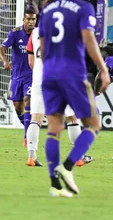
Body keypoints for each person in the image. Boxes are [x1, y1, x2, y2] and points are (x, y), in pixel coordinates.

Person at [38, 0, 110, 197]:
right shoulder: (83, 8)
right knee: (93, 124)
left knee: (53, 129)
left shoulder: (47, 10)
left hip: (49, 73)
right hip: (73, 73)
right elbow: (89, 40)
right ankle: (67, 167)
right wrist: (103, 69)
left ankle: (55, 185)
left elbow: (42, 47)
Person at [25, 24, 89, 168]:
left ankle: (31, 157)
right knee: (72, 118)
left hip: (39, 81)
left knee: (36, 119)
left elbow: (31, 61)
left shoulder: (35, 32)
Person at [0, 10, 36, 147]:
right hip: (16, 76)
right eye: (29, 19)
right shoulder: (14, 33)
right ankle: (30, 127)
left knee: (27, 101)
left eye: (34, 19)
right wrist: (5, 60)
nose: (31, 22)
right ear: (23, 19)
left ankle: (27, 137)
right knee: (17, 106)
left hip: (31, 76)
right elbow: (2, 48)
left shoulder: (38, 34)